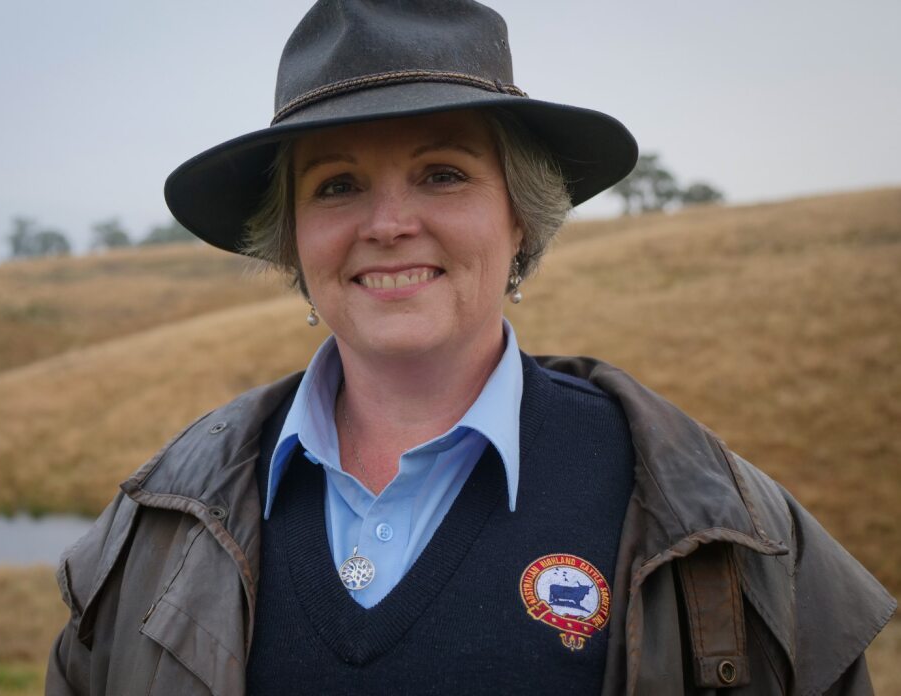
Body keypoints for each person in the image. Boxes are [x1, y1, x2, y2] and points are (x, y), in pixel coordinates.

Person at [46, 1, 895, 694]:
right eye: (336, 186)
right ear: (293, 238)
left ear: (520, 215)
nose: (388, 225)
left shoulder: (728, 530)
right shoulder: (153, 526)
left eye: (443, 173)